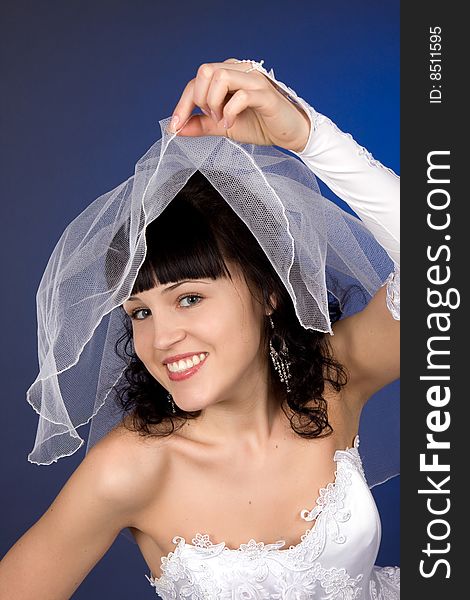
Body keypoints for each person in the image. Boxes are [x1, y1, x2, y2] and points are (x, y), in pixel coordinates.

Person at [0, 58, 399, 598]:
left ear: (268, 292)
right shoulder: (129, 470)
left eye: (189, 297)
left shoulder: (338, 380)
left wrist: (308, 137)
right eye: (139, 312)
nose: (160, 339)